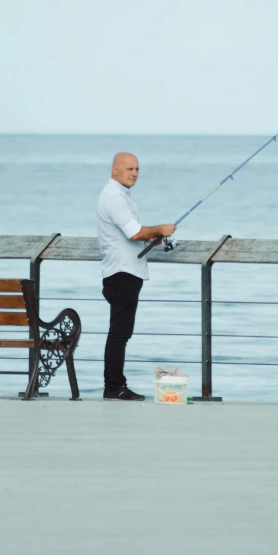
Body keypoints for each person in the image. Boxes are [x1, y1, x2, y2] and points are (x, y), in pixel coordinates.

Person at [96, 152, 176, 401]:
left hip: (124, 272)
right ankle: (114, 387)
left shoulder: (119, 196)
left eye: (137, 169)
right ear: (114, 171)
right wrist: (160, 229)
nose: (134, 173)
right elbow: (133, 233)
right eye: (129, 168)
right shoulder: (113, 197)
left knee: (120, 333)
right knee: (119, 334)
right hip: (122, 273)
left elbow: (133, 233)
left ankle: (115, 385)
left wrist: (151, 235)